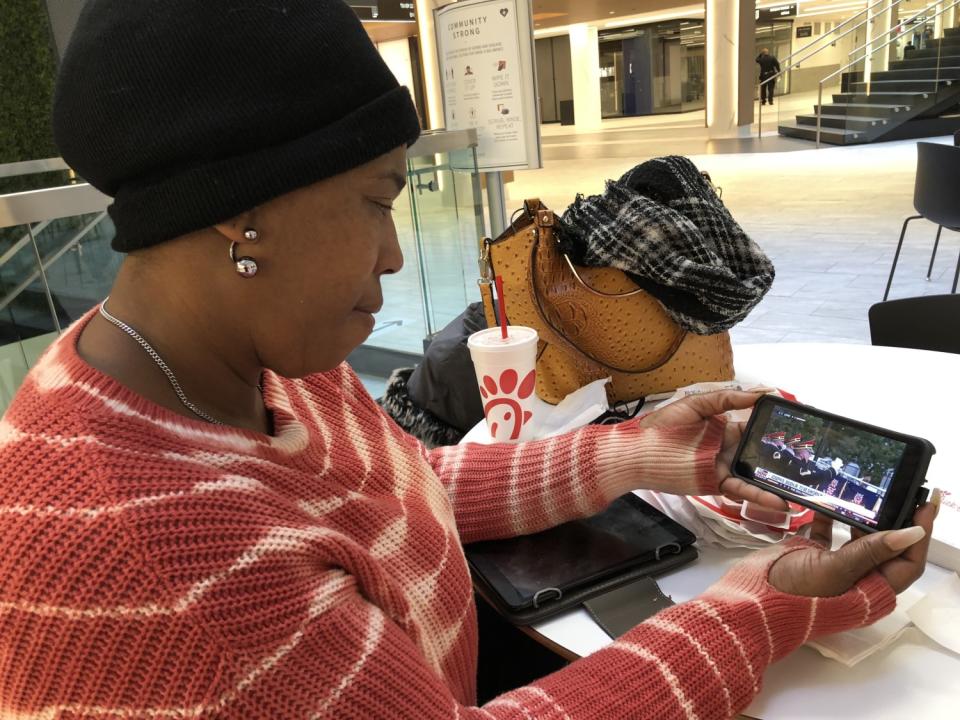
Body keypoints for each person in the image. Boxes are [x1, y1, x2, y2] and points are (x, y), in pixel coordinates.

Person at [0, 2, 938, 718]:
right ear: (239, 206)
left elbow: (394, 488)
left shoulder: (255, 358)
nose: (395, 256)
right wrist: (761, 606)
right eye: (377, 200)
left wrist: (641, 453)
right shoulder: (175, 564)